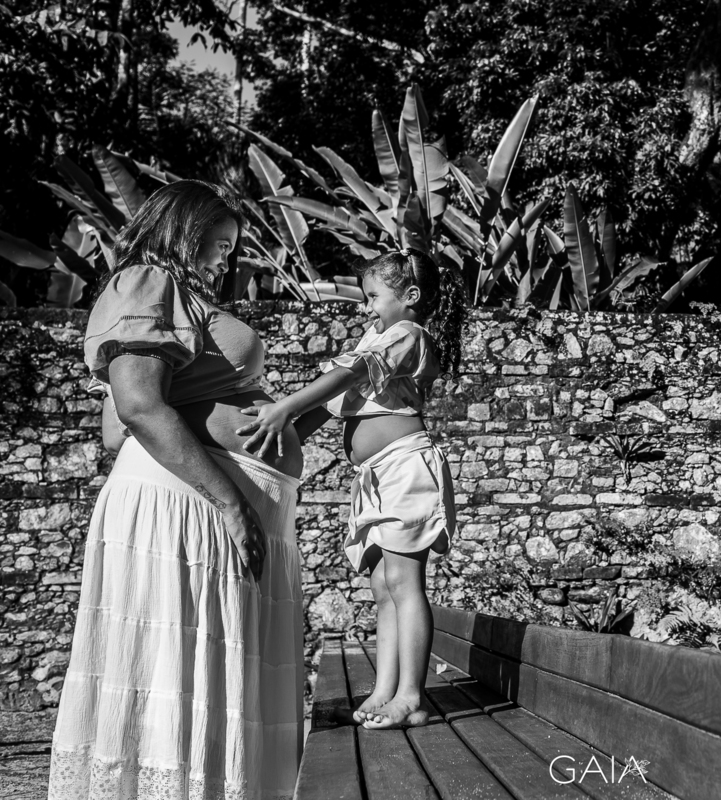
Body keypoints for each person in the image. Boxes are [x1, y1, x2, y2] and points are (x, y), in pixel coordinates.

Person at [48, 181, 305, 800]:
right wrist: (229, 502)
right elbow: (135, 409)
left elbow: (130, 415)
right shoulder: (147, 281)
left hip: (205, 501)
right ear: (186, 230)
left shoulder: (180, 300)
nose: (226, 259)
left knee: (208, 676)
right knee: (177, 671)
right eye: (221, 244)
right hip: (188, 506)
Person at [237, 248, 464, 729]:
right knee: (382, 587)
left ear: (410, 296)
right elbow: (335, 400)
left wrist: (285, 406)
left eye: (373, 296)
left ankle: (412, 696)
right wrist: (280, 436)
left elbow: (352, 373)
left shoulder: (408, 334)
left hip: (404, 468)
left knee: (404, 582)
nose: (366, 306)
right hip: (378, 476)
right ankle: (385, 691)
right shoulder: (378, 336)